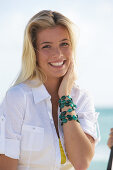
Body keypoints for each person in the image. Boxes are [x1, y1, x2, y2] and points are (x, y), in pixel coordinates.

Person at [0, 10, 99, 170]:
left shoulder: (82, 98)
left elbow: (82, 163)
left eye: (64, 44)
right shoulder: (17, 98)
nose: (58, 54)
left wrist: (65, 96)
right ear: (34, 53)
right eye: (47, 46)